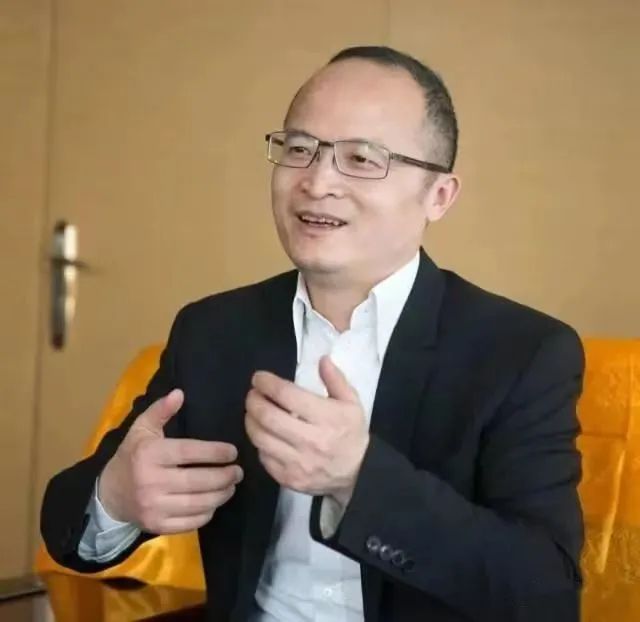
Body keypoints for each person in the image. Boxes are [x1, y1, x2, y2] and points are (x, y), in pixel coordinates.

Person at [41, 46, 584, 622]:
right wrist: (116, 498)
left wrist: (359, 478)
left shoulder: (521, 352)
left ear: (439, 196)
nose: (318, 181)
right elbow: (67, 524)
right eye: (300, 149)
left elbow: (545, 592)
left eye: (362, 158)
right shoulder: (217, 330)